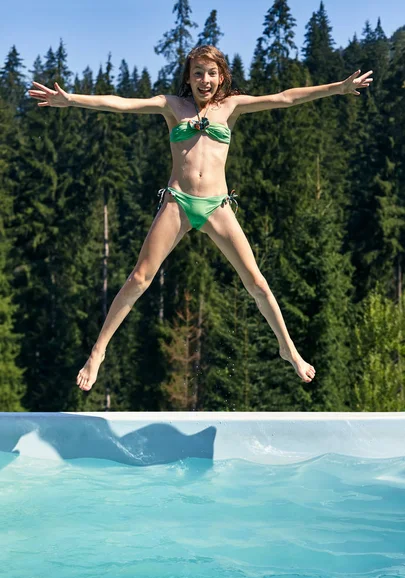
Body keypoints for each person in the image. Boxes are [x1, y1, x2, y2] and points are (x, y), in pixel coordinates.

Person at [28, 45, 373, 392]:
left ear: (221, 76)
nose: (204, 80)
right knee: (139, 278)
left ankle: (288, 348)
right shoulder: (171, 105)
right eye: (197, 73)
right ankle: (98, 351)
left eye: (210, 73)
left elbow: (285, 98)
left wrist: (337, 87)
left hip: (217, 207)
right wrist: (71, 99)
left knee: (256, 281)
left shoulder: (232, 105)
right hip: (178, 202)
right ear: (188, 77)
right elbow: (121, 104)